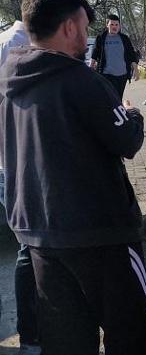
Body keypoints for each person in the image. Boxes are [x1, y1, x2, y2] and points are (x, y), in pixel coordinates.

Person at [0, 0, 146, 354]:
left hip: (38, 233)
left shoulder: (9, 79)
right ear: (69, 27)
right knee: (131, 334)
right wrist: (133, 114)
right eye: (85, 27)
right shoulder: (80, 79)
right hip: (100, 233)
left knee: (67, 341)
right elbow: (128, 141)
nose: (87, 37)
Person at [0, 20, 39, 352]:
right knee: (31, 249)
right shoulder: (18, 44)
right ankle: (32, 338)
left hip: (8, 161)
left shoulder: (7, 40)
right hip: (15, 163)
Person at [89, 14, 139, 99]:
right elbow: (94, 54)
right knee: (109, 98)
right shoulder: (101, 38)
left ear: (119, 25)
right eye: (112, 24)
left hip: (122, 75)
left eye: (116, 25)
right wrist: (90, 70)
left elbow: (131, 54)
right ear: (107, 25)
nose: (114, 27)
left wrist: (136, 70)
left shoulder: (124, 38)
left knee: (118, 98)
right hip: (106, 74)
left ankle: (117, 112)